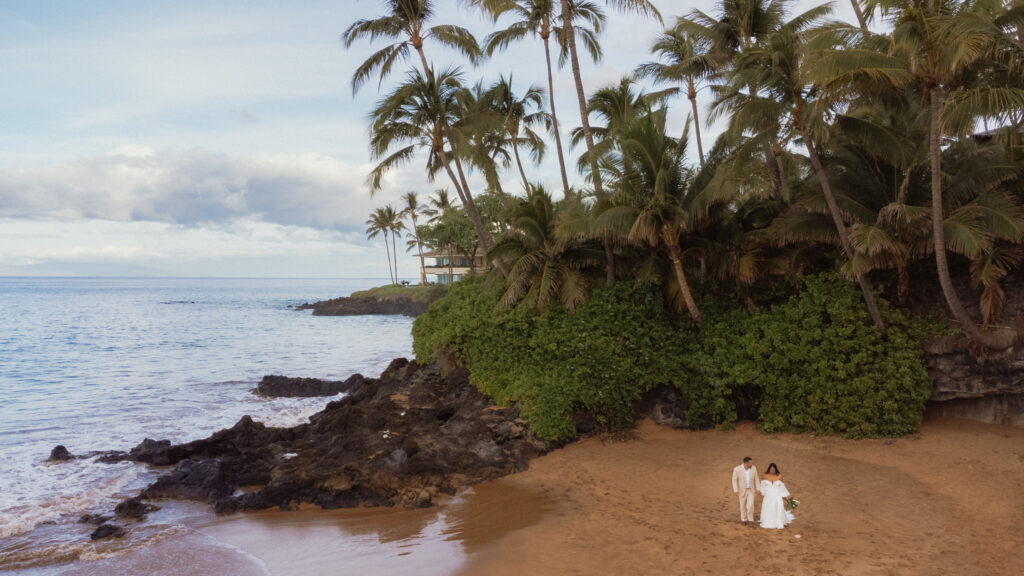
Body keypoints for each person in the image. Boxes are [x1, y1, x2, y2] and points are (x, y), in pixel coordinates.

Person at [758, 462, 795, 530]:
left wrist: (784, 496)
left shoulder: (779, 476)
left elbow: (782, 487)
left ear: (776, 469)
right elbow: (762, 486)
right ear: (769, 469)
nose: (772, 471)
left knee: (778, 506)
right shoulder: (765, 476)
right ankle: (769, 521)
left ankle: (778, 522)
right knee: (769, 507)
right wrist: (762, 492)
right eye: (771, 470)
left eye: (773, 470)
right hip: (768, 495)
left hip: (777, 495)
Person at [731, 456, 759, 525]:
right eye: (750, 463)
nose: (751, 465)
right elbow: (734, 479)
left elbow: (757, 479)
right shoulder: (737, 469)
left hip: (751, 490)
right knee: (742, 505)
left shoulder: (754, 468)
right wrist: (736, 489)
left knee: (750, 505)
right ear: (745, 463)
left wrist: (758, 488)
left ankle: (750, 520)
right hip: (741, 490)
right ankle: (744, 519)